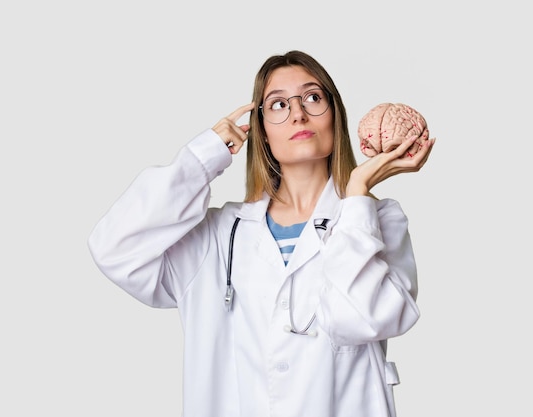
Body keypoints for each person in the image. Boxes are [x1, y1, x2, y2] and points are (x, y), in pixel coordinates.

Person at [88, 50, 435, 417]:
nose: (298, 113)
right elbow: (114, 248)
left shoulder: (378, 221)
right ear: (262, 133)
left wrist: (357, 196)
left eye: (313, 98)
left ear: (336, 116)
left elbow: (362, 319)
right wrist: (204, 157)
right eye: (279, 105)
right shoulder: (218, 237)